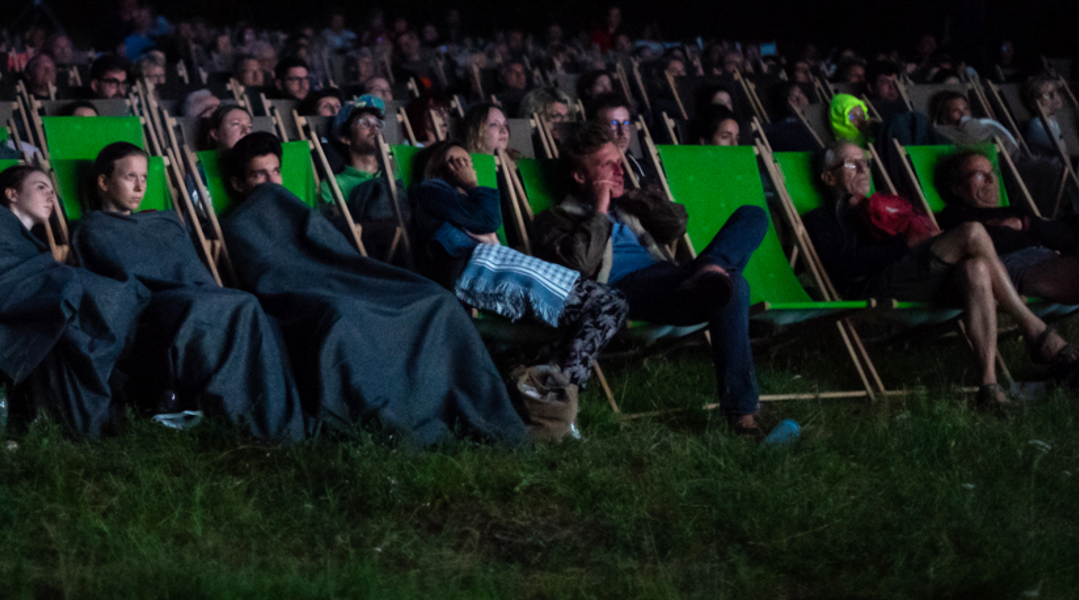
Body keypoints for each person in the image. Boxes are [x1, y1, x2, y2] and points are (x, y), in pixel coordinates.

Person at [218, 132, 527, 445]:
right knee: (342, 316)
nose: (272, 183)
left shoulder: (299, 210)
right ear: (238, 184)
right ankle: (393, 417)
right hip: (305, 296)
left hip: (348, 279)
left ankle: (463, 404)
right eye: (259, 175)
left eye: (275, 172)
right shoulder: (239, 225)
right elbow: (269, 277)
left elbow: (338, 255)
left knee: (435, 298)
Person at [530, 124, 768, 436]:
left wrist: (630, 197)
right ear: (579, 176)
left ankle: (710, 268)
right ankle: (743, 416)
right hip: (626, 292)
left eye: (619, 161)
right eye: (607, 164)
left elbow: (677, 224)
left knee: (753, 215)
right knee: (735, 286)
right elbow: (581, 265)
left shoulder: (629, 206)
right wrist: (601, 208)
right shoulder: (554, 219)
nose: (618, 169)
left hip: (674, 280)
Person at [802, 141, 1076, 410]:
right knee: (972, 232)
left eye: (866, 162)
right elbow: (845, 265)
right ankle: (1034, 328)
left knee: (976, 269)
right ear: (828, 177)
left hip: (917, 278)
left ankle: (989, 385)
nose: (863, 169)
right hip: (876, 286)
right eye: (852, 164)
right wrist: (906, 244)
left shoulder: (884, 203)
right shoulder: (822, 219)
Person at [70, 143, 305, 440]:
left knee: (248, 307)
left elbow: (188, 266)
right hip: (150, 302)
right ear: (104, 182)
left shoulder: (164, 220)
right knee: (231, 306)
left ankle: (261, 416)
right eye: (130, 177)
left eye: (144, 177)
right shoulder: (91, 227)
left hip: (190, 292)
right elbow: (113, 278)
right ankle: (232, 416)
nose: (140, 186)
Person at [408, 139, 627, 438]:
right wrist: (473, 186)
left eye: (467, 162)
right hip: (478, 269)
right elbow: (489, 219)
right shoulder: (432, 191)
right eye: (454, 162)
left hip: (496, 264)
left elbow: (489, 230)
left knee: (610, 302)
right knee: (609, 304)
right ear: (436, 168)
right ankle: (556, 401)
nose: (465, 168)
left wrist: (483, 222)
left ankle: (551, 397)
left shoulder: (458, 204)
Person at [0, 166, 149, 437]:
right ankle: (89, 418)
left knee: (99, 308)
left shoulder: (28, 243)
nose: (51, 197)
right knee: (83, 289)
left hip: (24, 293)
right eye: (41, 187)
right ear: (11, 194)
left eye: (53, 191)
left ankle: (89, 416)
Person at [935, 150, 1079, 401]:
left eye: (991, 173)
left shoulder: (1014, 209)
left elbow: (1061, 233)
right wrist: (1027, 226)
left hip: (1050, 258)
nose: (991, 180)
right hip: (1010, 267)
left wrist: (1025, 223)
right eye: (979, 175)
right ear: (957, 188)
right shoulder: (954, 216)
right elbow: (975, 245)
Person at [928, 90, 1019, 152]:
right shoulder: (942, 132)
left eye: (966, 109)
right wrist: (967, 123)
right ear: (944, 117)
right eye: (956, 111)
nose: (963, 114)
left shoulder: (984, 123)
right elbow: (974, 138)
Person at [1021, 75, 1071, 157]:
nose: (1055, 97)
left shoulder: (1063, 118)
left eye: (1056, 92)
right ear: (1036, 101)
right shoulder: (1037, 124)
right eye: (1049, 94)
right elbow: (1066, 148)